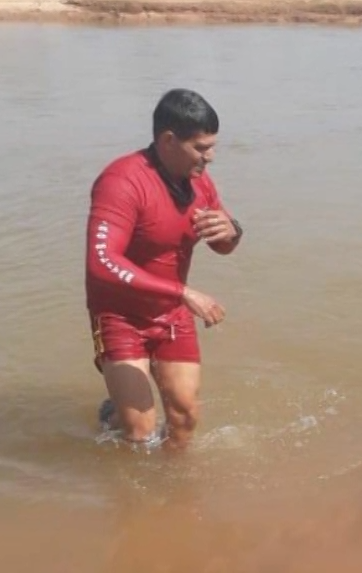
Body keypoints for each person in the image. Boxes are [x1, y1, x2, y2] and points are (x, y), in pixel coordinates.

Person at [84, 89, 243, 450]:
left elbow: (222, 243)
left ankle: (175, 498)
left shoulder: (199, 180)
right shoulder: (121, 182)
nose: (211, 157)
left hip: (170, 313)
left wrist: (234, 231)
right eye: (202, 147)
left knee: (185, 419)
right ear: (168, 140)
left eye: (213, 146)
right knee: (140, 434)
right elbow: (101, 263)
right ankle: (112, 415)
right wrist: (183, 292)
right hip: (119, 314)